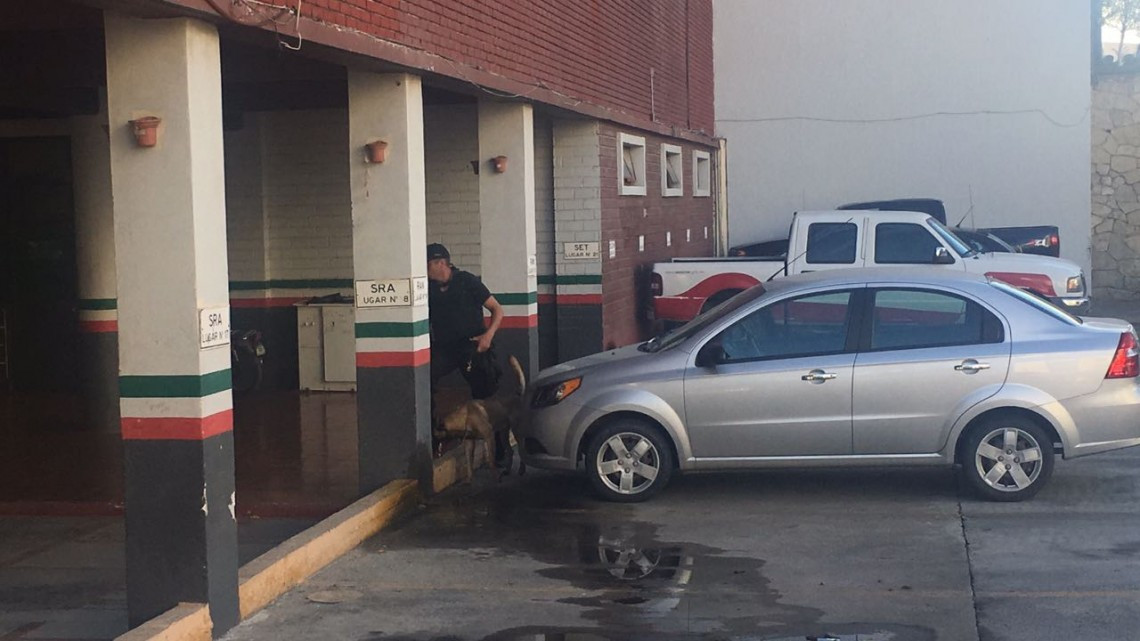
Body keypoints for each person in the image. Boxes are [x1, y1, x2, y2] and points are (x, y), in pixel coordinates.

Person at [427, 242, 504, 405]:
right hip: (445, 347)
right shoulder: (428, 288)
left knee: (484, 389)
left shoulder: (467, 281)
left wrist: (487, 337)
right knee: (425, 375)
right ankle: (432, 426)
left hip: (474, 344)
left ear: (440, 263)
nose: (425, 271)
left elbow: (497, 309)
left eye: (427, 265)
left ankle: (486, 426)